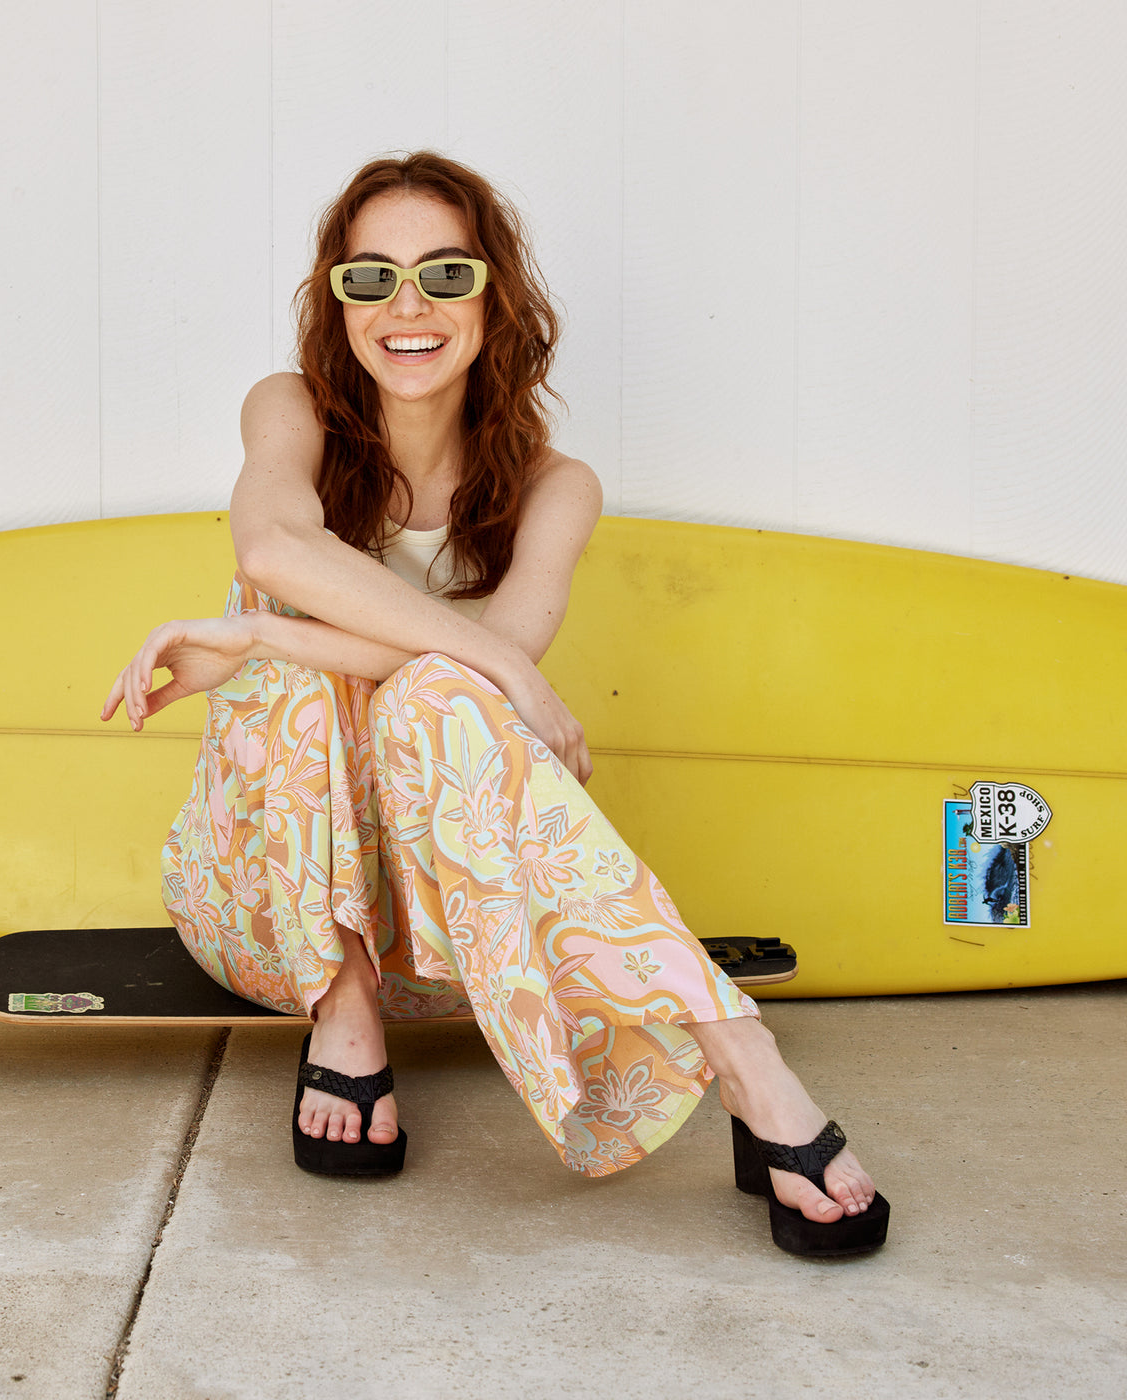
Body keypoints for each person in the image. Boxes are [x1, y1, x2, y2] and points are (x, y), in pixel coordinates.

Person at [101, 152, 888, 1256]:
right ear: (335, 301)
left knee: (427, 685)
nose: (405, 307)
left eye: (443, 275)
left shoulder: (554, 487)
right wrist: (295, 632)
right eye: (368, 278)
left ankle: (740, 1063)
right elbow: (274, 542)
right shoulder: (288, 411)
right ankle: (348, 1007)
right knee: (304, 660)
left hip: (460, 935)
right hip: (263, 911)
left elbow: (486, 665)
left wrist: (268, 631)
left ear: (495, 294)